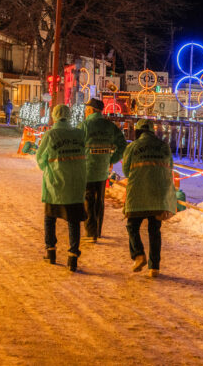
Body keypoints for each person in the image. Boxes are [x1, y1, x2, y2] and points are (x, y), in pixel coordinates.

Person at [35, 103, 88, 272]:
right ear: (69, 115)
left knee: (50, 217)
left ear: (55, 116)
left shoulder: (51, 135)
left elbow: (40, 158)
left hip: (55, 183)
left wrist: (49, 169)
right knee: (73, 221)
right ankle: (73, 257)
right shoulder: (80, 134)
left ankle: (50, 252)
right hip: (75, 182)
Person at [122, 118, 176, 277]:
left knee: (132, 226)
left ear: (138, 132)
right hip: (159, 195)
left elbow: (126, 171)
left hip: (138, 194)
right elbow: (170, 167)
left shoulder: (132, 147)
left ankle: (138, 255)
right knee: (154, 230)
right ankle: (154, 267)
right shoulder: (164, 147)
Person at [79, 98, 127, 243]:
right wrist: (111, 159)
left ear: (90, 110)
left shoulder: (85, 125)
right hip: (102, 169)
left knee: (88, 199)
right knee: (99, 200)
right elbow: (122, 145)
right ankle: (98, 230)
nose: (86, 111)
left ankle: (90, 231)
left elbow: (77, 144)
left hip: (87, 168)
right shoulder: (109, 126)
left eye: (87, 109)